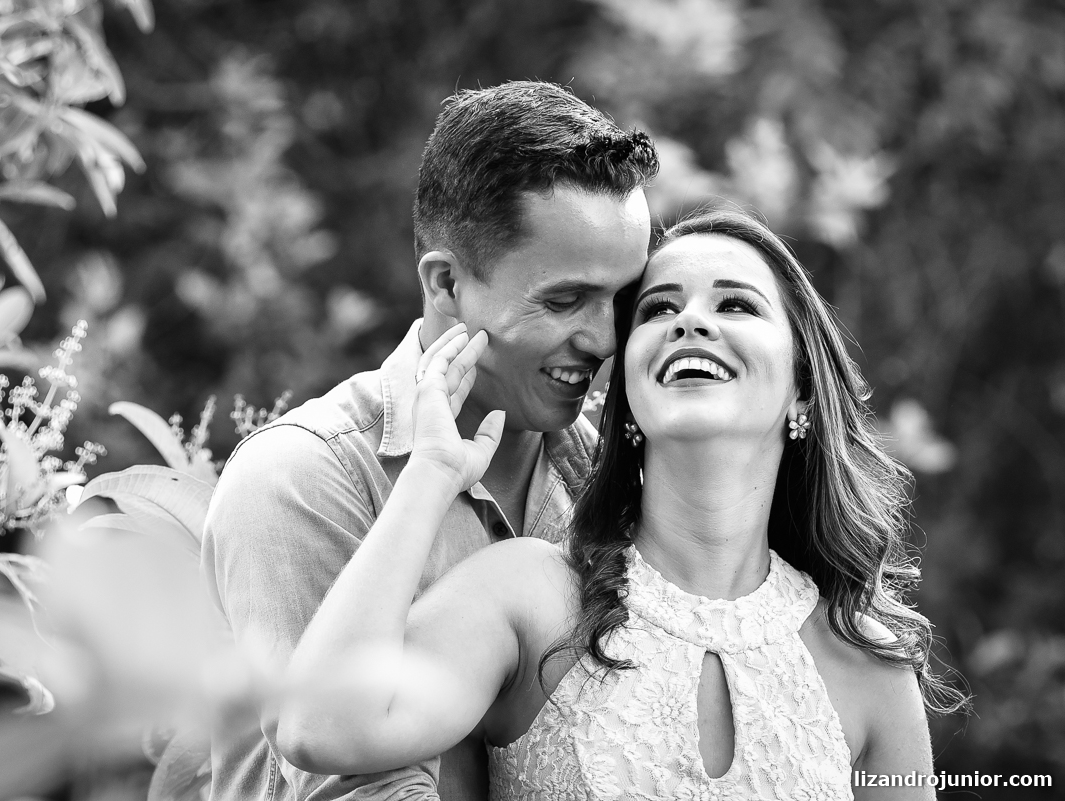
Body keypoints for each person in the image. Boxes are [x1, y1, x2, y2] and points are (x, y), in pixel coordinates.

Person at [276, 209, 967, 800]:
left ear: (802, 392)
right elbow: (320, 727)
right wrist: (429, 472)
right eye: (660, 308)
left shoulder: (868, 665)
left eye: (735, 305)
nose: (690, 322)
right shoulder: (528, 596)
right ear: (629, 397)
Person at [201, 80, 658, 801]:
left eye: (622, 299)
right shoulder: (303, 478)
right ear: (446, 282)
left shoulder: (611, 476)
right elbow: (351, 783)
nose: (604, 338)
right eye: (565, 299)